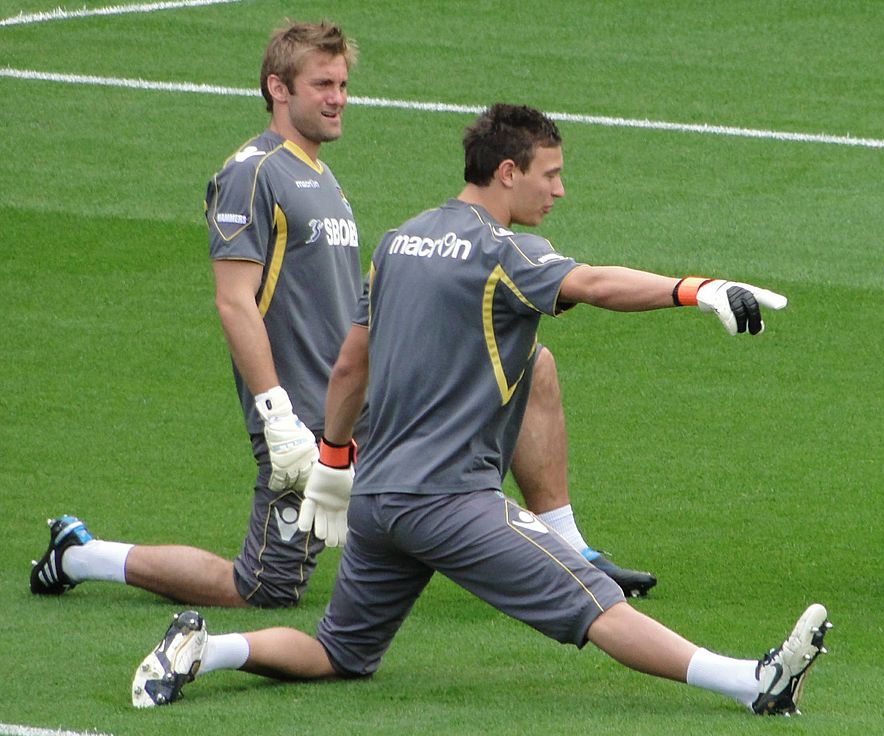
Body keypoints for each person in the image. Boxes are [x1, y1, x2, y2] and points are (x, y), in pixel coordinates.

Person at [127, 102, 830, 716]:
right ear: (506, 172)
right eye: (549, 173)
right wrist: (693, 288)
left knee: (339, 652)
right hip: (449, 500)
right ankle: (752, 682)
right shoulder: (503, 252)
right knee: (592, 602)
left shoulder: (398, 242)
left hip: (377, 501)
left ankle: (208, 649)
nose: (560, 188)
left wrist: (335, 464)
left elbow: (350, 365)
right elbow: (591, 282)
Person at [28, 20, 653, 611]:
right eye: (322, 85)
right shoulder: (252, 174)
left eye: (343, 84)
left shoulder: (323, 179)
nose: (338, 99)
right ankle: (81, 556)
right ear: (279, 89)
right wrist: (277, 418)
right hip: (303, 420)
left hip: (362, 403)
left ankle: (566, 546)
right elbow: (233, 300)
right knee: (264, 588)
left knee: (528, 361)